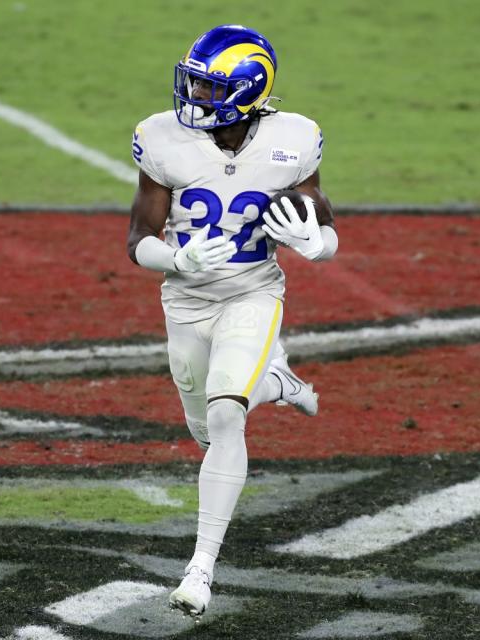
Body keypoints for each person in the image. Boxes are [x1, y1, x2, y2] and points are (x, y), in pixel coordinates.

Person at [126, 24, 338, 617]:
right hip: (186, 302)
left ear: (247, 91)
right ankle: (279, 382)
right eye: (193, 81)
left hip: (254, 293)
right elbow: (138, 237)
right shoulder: (161, 138)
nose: (193, 95)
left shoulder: (292, 138)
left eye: (209, 86)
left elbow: (320, 210)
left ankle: (200, 570)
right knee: (205, 430)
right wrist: (176, 257)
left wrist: (317, 243)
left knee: (225, 415)